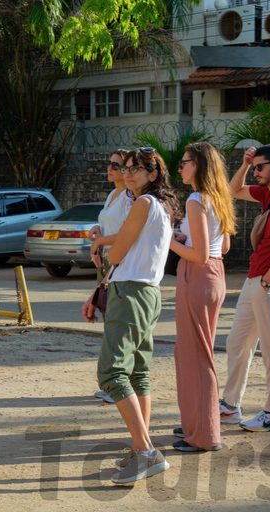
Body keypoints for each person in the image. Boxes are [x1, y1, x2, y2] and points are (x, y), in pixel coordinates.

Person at [83, 147, 181, 484]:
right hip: (146, 292)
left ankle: (146, 452)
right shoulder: (161, 204)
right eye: (126, 168)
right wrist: (98, 292)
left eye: (137, 169)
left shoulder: (143, 203)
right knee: (138, 372)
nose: (129, 173)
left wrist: (103, 247)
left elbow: (120, 252)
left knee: (111, 373)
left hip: (132, 292)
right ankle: (144, 450)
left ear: (153, 175)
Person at [220, 144, 270, 432]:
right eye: (254, 168)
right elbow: (232, 189)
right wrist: (245, 162)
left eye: (260, 167)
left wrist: (266, 281)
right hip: (255, 281)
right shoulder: (268, 194)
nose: (256, 172)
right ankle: (230, 406)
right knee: (237, 344)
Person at [169, 142, 235, 452]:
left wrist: (169, 241)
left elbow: (197, 255)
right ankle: (196, 423)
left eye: (185, 162)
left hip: (197, 276)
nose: (180, 167)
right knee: (193, 353)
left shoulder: (196, 199)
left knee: (195, 356)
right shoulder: (218, 198)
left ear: (199, 166)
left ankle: (204, 435)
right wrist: (186, 237)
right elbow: (221, 248)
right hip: (214, 276)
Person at [88, 149, 131, 404]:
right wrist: (98, 231)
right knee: (109, 319)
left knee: (118, 323)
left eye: (117, 165)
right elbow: (108, 226)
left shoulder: (129, 197)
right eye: (110, 163)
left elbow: (127, 232)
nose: (111, 168)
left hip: (120, 262)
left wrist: (100, 241)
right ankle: (115, 382)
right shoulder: (113, 194)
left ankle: (119, 384)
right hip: (105, 262)